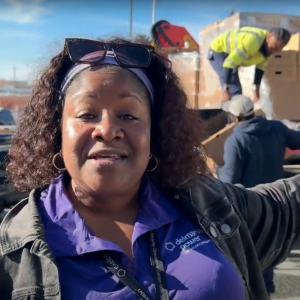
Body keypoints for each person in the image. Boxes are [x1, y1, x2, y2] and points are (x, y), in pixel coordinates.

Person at [1, 38, 300, 300]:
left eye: (129, 115)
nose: (106, 130)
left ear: (154, 132)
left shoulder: (208, 204)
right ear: (57, 131)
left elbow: (289, 206)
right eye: (87, 114)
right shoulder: (11, 259)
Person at [217, 94, 300, 298]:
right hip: (278, 201)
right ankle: (268, 292)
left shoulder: (235, 141)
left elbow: (229, 179)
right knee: (272, 249)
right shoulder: (276, 128)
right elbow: (297, 140)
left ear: (235, 117)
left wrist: (215, 169)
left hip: (250, 206)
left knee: (253, 257)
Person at [208, 27, 291, 103]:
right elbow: (229, 63)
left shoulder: (268, 50)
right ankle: (237, 117)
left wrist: (256, 90)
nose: (272, 52)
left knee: (235, 91)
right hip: (219, 51)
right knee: (234, 89)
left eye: (277, 50)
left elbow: (260, 69)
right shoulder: (252, 42)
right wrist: (225, 89)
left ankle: (236, 115)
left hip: (232, 56)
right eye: (272, 48)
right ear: (269, 36)